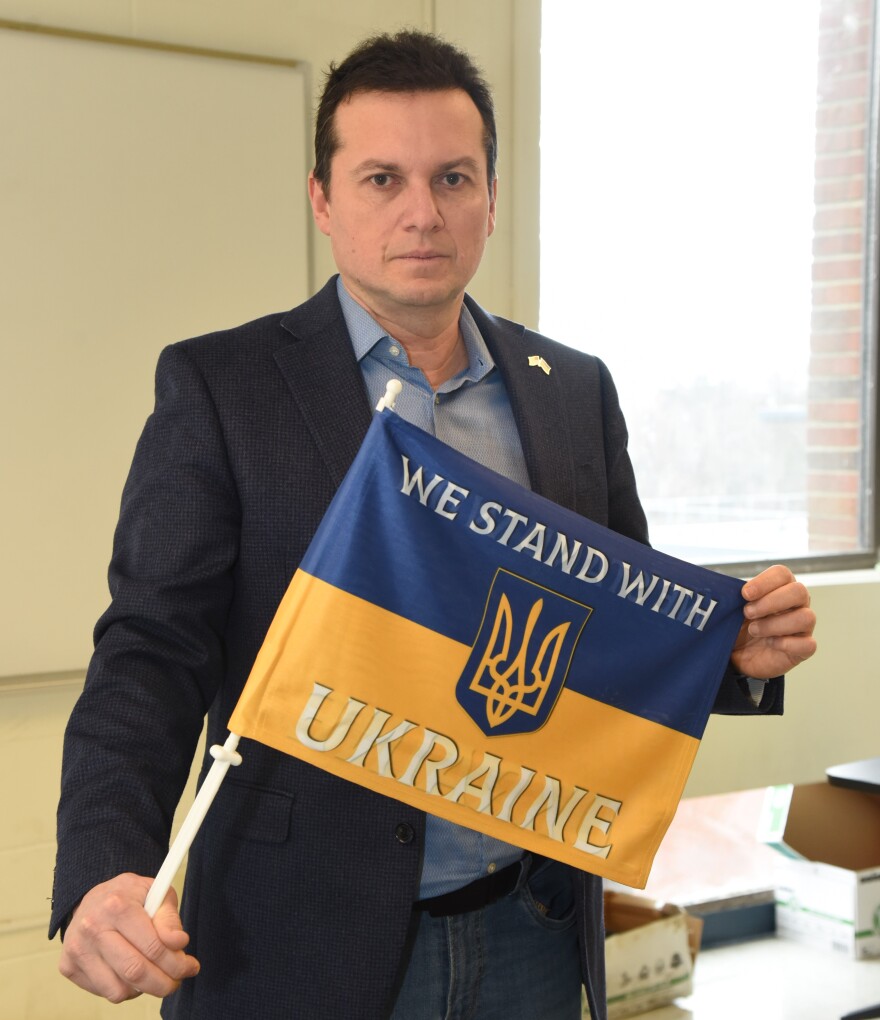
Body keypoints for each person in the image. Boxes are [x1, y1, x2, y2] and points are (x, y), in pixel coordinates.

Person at [51, 29, 817, 1020]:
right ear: (323, 199)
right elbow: (150, 653)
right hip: (302, 940)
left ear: (491, 199)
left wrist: (738, 656)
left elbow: (617, 635)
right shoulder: (224, 388)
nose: (422, 212)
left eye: (452, 178)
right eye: (381, 179)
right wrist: (102, 869)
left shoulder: (572, 391)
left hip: (532, 930)